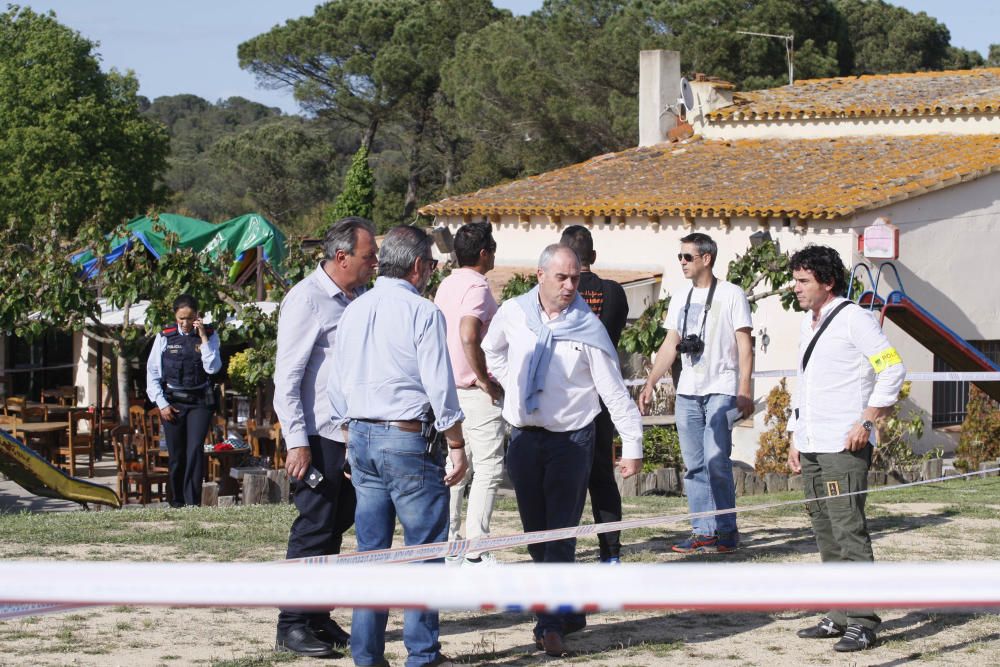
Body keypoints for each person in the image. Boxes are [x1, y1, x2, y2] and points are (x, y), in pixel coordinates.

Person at [482, 243, 642, 658]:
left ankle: (549, 624)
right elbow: (490, 350)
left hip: (573, 440)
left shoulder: (587, 327)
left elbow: (613, 390)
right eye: (562, 278)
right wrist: (512, 383)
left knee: (561, 532)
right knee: (536, 534)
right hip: (523, 438)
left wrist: (633, 444)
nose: (571, 286)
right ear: (540, 276)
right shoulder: (514, 313)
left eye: (574, 278)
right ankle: (564, 606)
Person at [328, 225, 468, 667]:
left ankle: (366, 657)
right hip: (408, 437)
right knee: (424, 552)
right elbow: (440, 386)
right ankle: (422, 656)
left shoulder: (354, 309)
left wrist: (351, 438)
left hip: (363, 435)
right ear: (417, 267)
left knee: (372, 555)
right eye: (429, 265)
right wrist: (457, 443)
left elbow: (335, 385)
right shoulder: (423, 312)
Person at [786, 244, 905, 653]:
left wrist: (868, 420)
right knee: (824, 530)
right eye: (795, 279)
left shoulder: (855, 319)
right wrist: (794, 437)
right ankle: (839, 614)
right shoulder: (808, 324)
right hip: (812, 443)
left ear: (827, 282)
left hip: (843, 444)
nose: (795, 287)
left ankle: (864, 620)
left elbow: (892, 366)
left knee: (849, 528)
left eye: (803, 280)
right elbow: (804, 384)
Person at [272, 217, 379, 658]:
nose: (374, 263)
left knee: (337, 525)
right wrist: (296, 440)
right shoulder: (306, 299)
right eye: (368, 256)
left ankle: (317, 614)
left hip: (350, 435)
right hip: (317, 436)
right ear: (342, 257)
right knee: (314, 526)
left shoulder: (358, 299)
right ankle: (292, 623)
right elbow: (288, 376)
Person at [638, 232, 752, 554]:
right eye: (680, 257)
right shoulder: (680, 297)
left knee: (717, 460)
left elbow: (745, 345)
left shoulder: (731, 294)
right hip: (687, 391)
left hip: (722, 389)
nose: (682, 263)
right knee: (694, 466)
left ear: (707, 258)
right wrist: (650, 382)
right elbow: (669, 344)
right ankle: (703, 531)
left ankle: (727, 531)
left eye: (687, 257)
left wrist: (744, 388)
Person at [433, 221, 505, 567]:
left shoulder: (446, 285)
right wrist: (484, 378)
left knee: (456, 467)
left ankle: (450, 543)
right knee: (488, 468)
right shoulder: (477, 286)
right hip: (473, 391)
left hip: (446, 390)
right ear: (483, 253)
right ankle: (476, 549)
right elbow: (467, 334)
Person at [560, 224, 629, 565]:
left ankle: (561, 550)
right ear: (594, 256)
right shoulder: (614, 293)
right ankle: (611, 553)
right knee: (602, 477)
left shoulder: (555, 296)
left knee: (563, 481)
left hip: (566, 398)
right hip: (603, 396)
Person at [146, 293, 221, 508]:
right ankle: (176, 500)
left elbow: (213, 368)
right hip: (173, 403)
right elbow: (152, 373)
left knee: (195, 449)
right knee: (177, 453)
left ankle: (193, 501)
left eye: (189, 318)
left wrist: (203, 338)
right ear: (175, 316)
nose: (185, 323)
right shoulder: (165, 337)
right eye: (181, 319)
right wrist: (162, 404)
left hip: (199, 401)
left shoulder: (210, 335)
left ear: (197, 316)